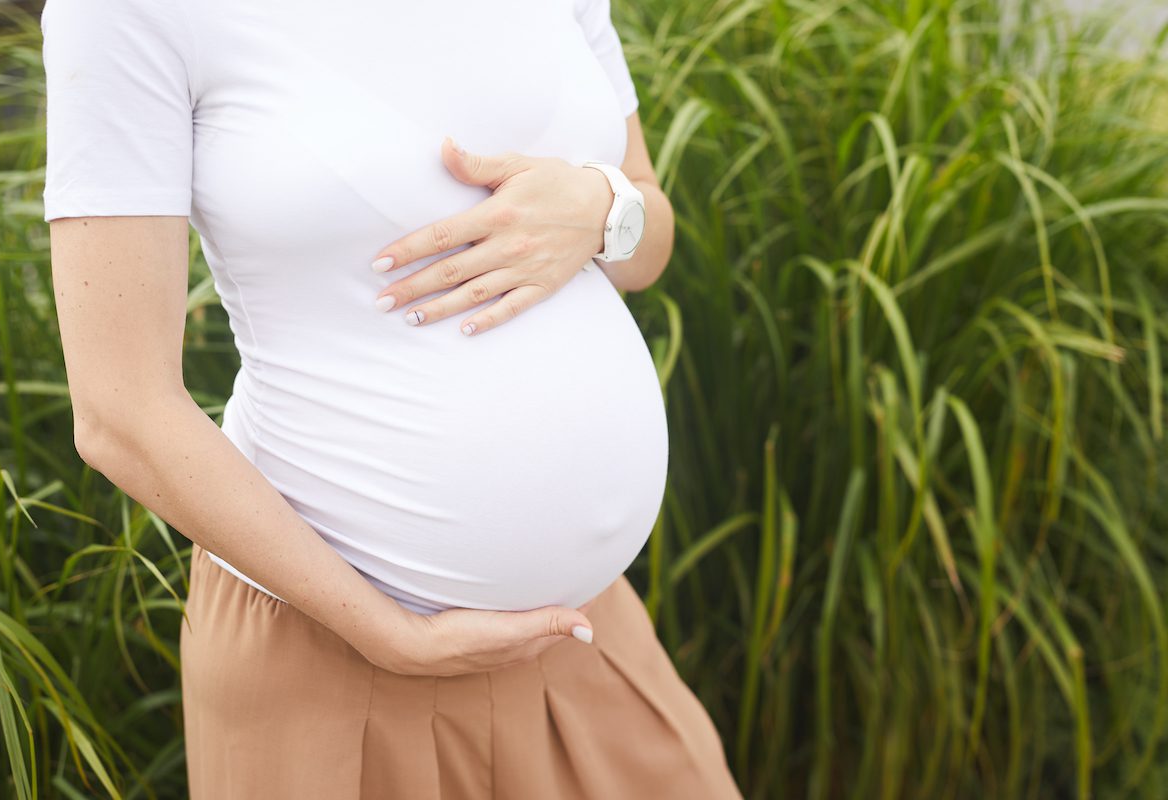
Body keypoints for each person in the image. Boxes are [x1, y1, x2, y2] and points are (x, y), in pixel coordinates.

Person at [41, 0, 744, 796]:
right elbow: (120, 411)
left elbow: (647, 233)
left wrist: (600, 205)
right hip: (334, 653)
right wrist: (387, 634)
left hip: (581, 632)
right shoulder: (129, 13)